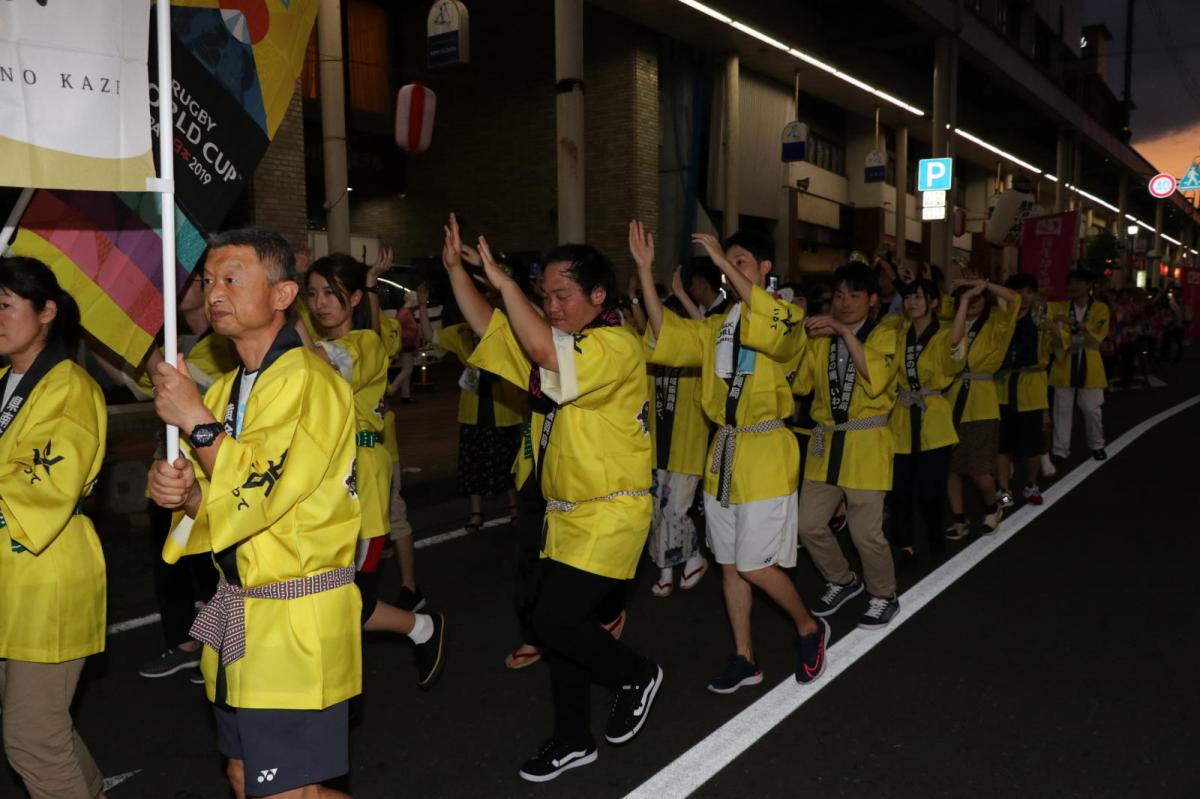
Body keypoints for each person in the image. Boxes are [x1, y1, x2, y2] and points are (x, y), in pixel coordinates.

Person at [442, 213, 662, 782]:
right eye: (547, 295)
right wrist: (457, 275)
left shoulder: (614, 345)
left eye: (563, 294)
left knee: (554, 619)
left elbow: (540, 352)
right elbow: (495, 333)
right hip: (565, 515)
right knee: (564, 632)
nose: (554, 305)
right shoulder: (562, 347)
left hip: (613, 510)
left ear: (598, 294)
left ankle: (634, 673)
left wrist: (506, 280)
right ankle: (572, 739)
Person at [147, 228, 362, 799]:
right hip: (243, 615)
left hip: (296, 621)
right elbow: (224, 502)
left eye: (233, 278)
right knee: (250, 775)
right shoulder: (224, 391)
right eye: (210, 279)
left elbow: (264, 490)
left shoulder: (310, 381)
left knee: (284, 788)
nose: (215, 291)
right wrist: (183, 494)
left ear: (282, 294)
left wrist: (195, 423)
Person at [634, 222, 828, 695]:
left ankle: (808, 627)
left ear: (765, 269)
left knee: (754, 564)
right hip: (723, 452)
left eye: (740, 261)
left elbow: (779, 339)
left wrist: (720, 260)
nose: (729, 268)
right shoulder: (717, 326)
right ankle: (745, 657)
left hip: (765, 452)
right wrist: (643, 271)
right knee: (728, 563)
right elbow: (667, 336)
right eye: (727, 261)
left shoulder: (785, 315)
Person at [302, 252, 445, 689]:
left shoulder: (365, 341)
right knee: (324, 592)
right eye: (311, 294)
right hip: (326, 482)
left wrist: (281, 312)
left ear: (356, 298)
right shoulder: (314, 337)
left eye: (331, 293)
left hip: (361, 481)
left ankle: (421, 628)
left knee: (351, 596)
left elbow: (322, 363)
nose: (319, 303)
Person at [0, 257, 108, 799]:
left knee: (30, 739)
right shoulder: (6, 380)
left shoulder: (69, 388)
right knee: (46, 733)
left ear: (46, 312)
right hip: (15, 579)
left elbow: (39, 484)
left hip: (48, 577)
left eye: (4, 305)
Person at [124, 271, 233, 683]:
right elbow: (139, 381)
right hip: (178, 471)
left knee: (214, 563)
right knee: (174, 559)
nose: (177, 286)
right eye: (207, 278)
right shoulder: (185, 343)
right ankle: (191, 645)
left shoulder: (224, 349)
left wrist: (140, 345)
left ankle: (216, 643)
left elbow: (188, 395)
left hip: (212, 471)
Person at [794, 263, 902, 628]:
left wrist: (841, 329)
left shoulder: (886, 331)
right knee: (807, 524)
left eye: (854, 295)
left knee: (864, 532)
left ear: (873, 299)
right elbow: (802, 385)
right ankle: (842, 578)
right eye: (838, 295)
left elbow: (878, 377)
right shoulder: (822, 337)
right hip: (826, 441)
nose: (843, 303)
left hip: (866, 441)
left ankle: (883, 593)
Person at [888, 278, 964, 569]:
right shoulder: (897, 332)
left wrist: (964, 302)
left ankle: (934, 533)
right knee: (900, 492)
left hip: (933, 418)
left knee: (931, 491)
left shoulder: (944, 334)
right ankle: (905, 547)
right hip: (902, 418)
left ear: (934, 302)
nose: (912, 302)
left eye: (920, 297)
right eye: (909, 297)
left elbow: (956, 349)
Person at [944, 278, 1021, 539]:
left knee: (978, 468)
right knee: (950, 467)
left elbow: (1014, 299)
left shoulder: (996, 324)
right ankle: (958, 518)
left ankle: (992, 507)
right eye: (967, 297)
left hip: (981, 403)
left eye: (978, 298)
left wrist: (981, 284)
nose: (973, 302)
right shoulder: (949, 322)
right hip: (949, 400)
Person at [996, 274, 1061, 507]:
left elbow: (1059, 348)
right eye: (1017, 291)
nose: (1022, 297)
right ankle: (1004, 490)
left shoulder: (1041, 315)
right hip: (1003, 387)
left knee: (1032, 445)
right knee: (1003, 444)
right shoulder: (1001, 315)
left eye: (1027, 291)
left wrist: (1053, 329)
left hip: (1031, 388)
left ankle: (1031, 483)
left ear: (1034, 294)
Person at [1048, 269, 1109, 462]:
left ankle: (1097, 444)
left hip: (1091, 366)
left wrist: (1070, 325)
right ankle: (1059, 450)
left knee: (1092, 410)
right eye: (1071, 282)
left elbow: (1097, 336)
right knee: (1061, 410)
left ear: (1089, 285)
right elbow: (1058, 334)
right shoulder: (1060, 307)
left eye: (1079, 282)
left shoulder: (1100, 308)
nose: (1073, 286)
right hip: (1064, 364)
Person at [387, 293, 421, 402]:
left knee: (407, 369)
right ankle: (391, 391)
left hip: (408, 345)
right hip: (405, 344)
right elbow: (397, 328)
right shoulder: (404, 313)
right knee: (407, 370)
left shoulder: (408, 313)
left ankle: (405, 395)